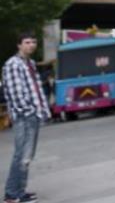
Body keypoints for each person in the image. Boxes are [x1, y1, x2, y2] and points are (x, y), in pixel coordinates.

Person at [3, 32, 50, 203]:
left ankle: (19, 191)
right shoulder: (13, 64)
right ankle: (11, 194)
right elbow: (16, 94)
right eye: (27, 42)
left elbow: (35, 90)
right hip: (24, 117)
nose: (31, 45)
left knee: (27, 155)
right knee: (22, 155)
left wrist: (42, 111)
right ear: (19, 45)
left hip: (33, 115)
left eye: (34, 42)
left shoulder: (29, 63)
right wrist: (29, 111)